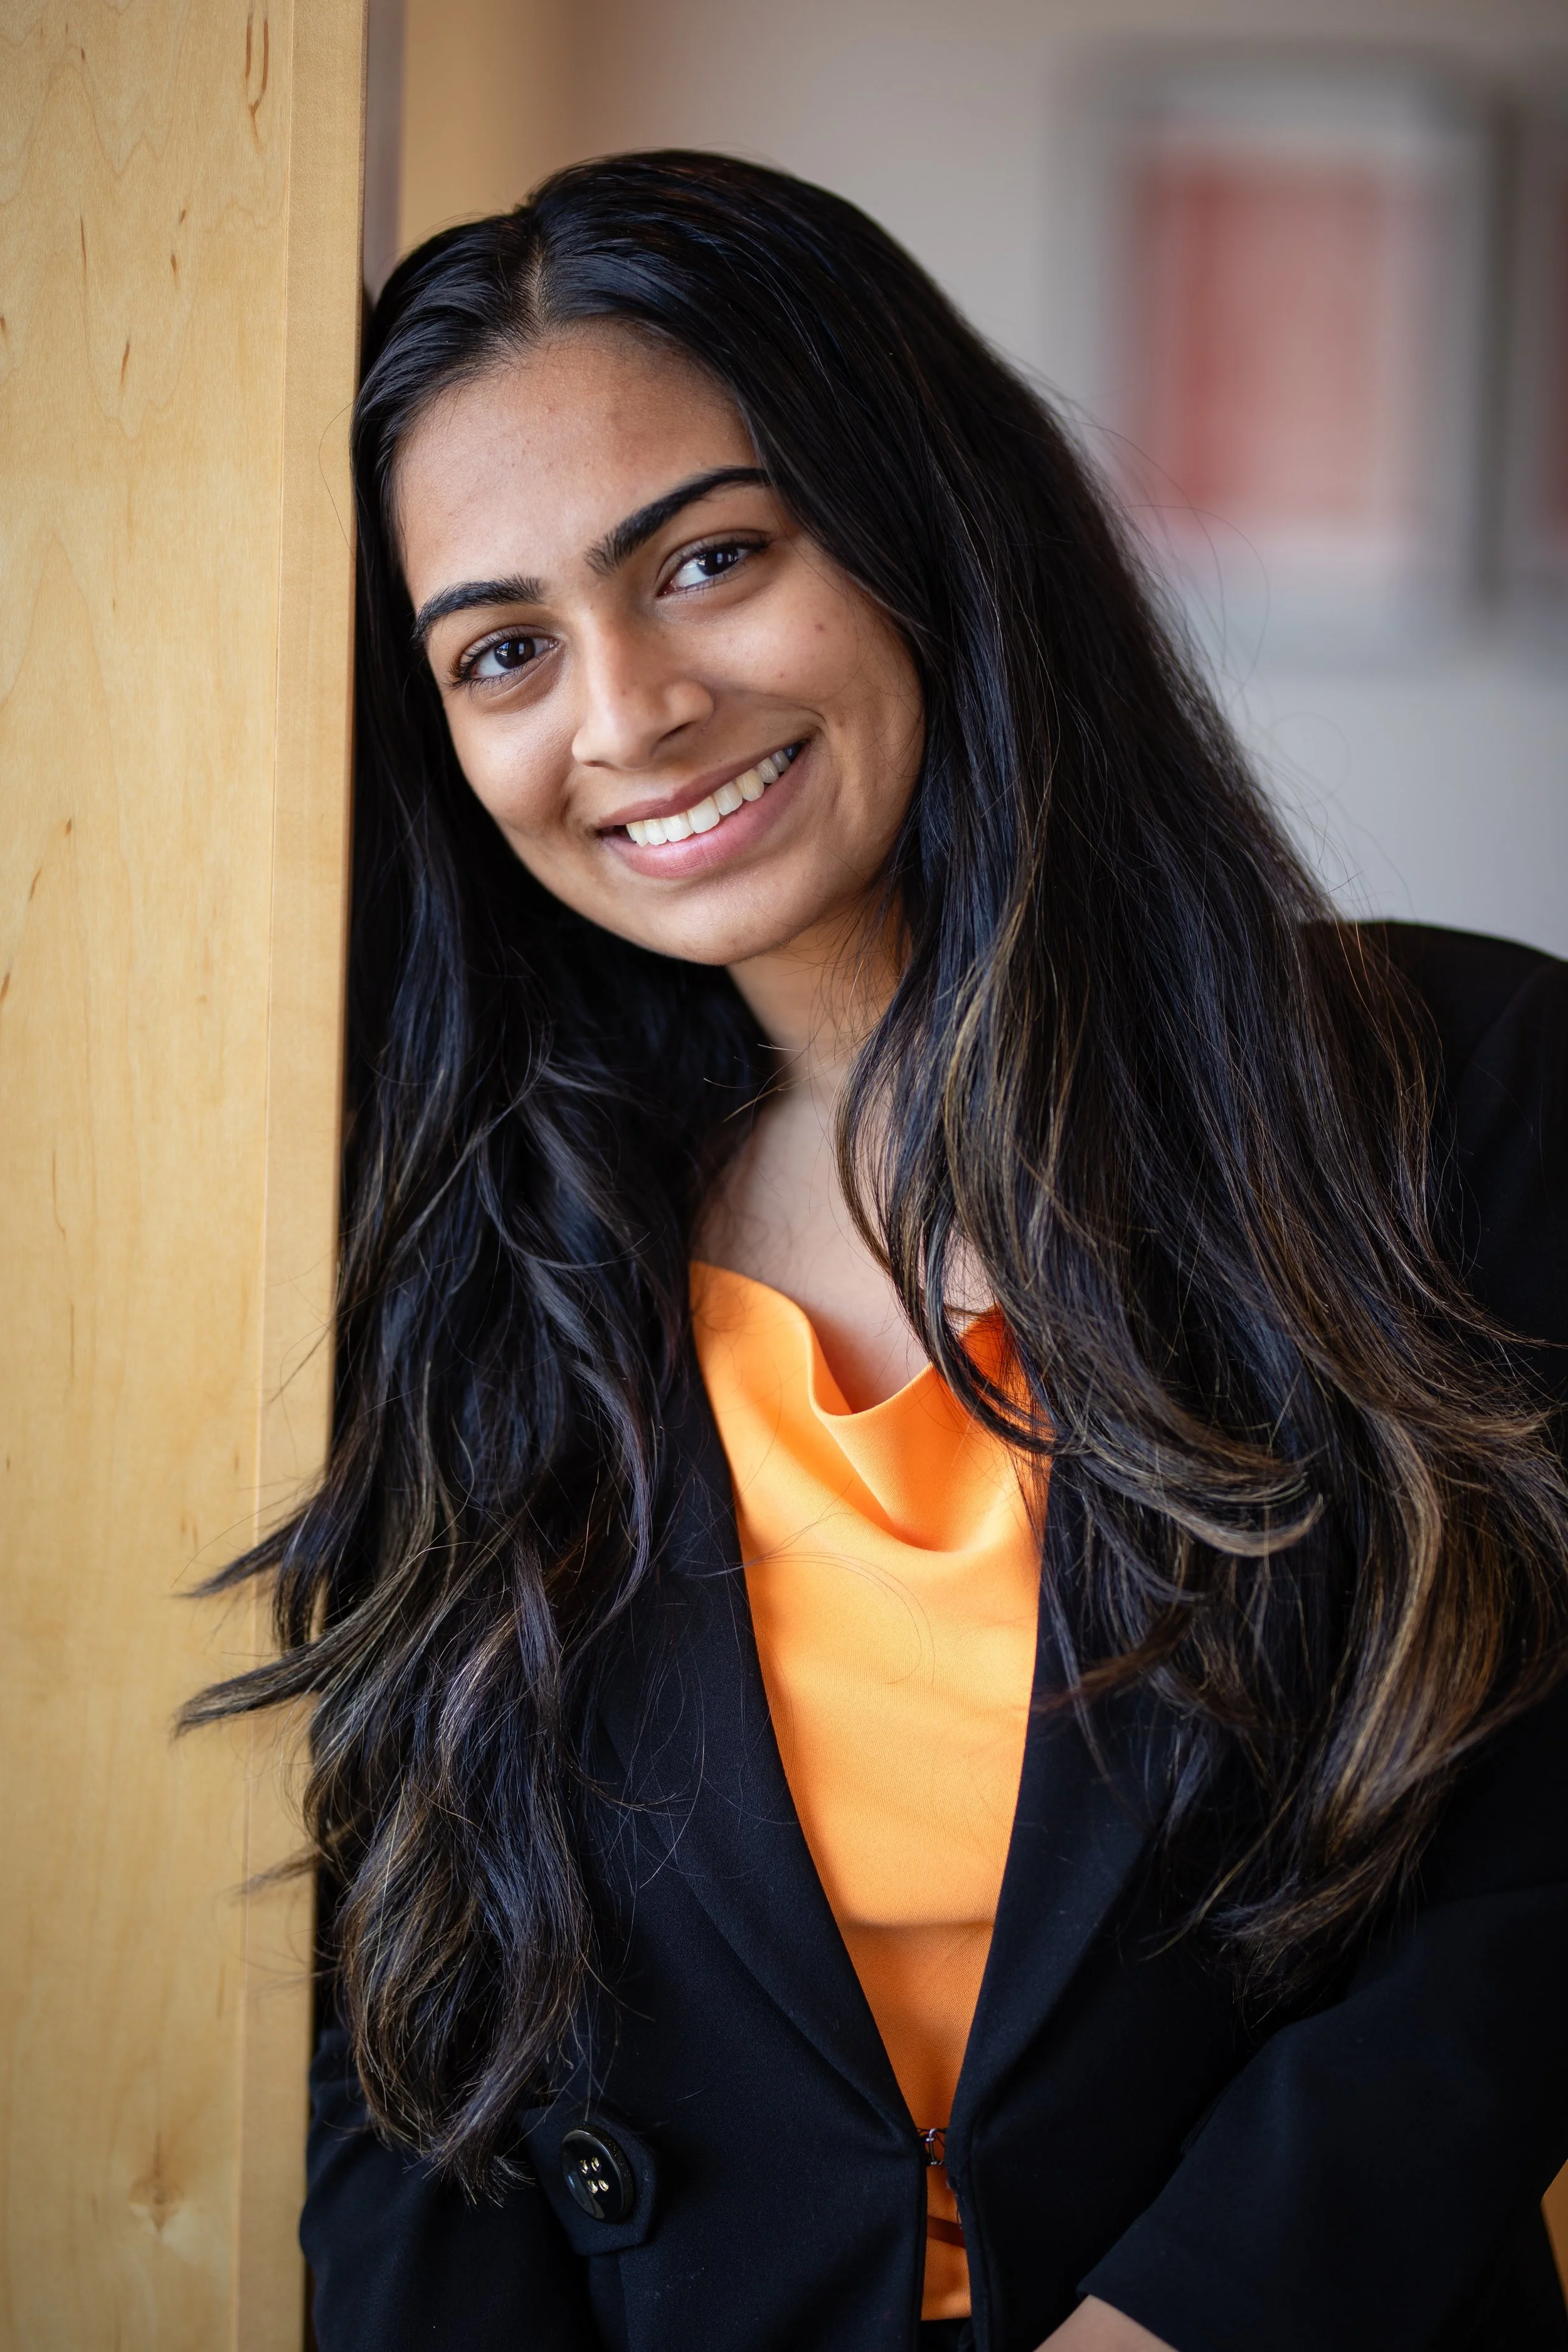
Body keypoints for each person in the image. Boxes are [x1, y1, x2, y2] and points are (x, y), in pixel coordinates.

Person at [189, 152, 1568, 2352]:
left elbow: (1526, 1881)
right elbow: (412, 2041)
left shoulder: (1449, 1089)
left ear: (926, 525)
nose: (626, 711)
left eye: (712, 557)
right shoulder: (461, 1244)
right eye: (506, 649)